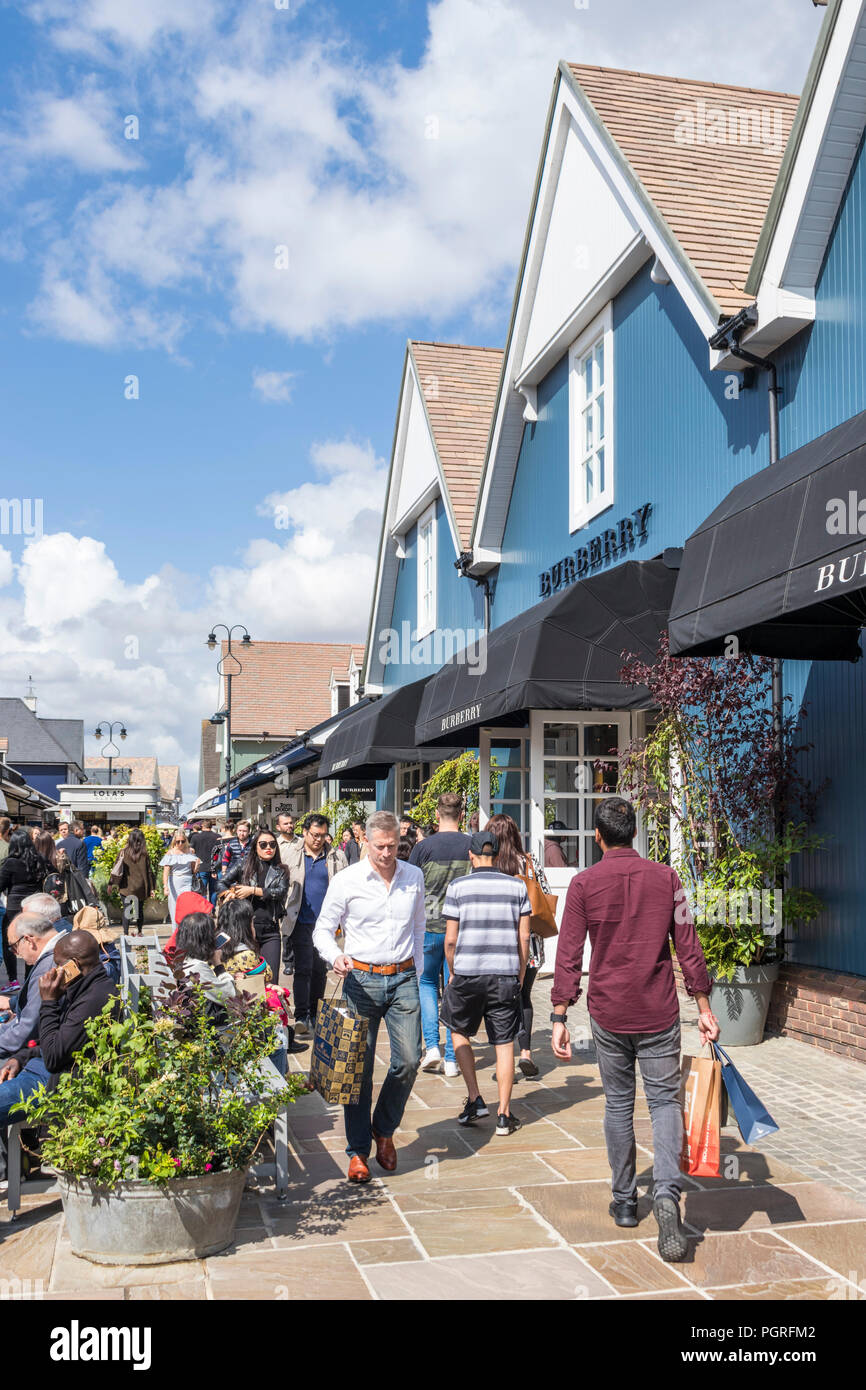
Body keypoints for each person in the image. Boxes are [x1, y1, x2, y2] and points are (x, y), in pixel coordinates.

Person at [551, 796, 720, 1263]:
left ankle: (626, 1200)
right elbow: (689, 946)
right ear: (635, 835)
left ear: (599, 837)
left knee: (619, 1104)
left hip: (609, 1012)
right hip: (659, 1010)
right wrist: (703, 1005)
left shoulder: (584, 884)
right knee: (665, 1103)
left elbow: (569, 952)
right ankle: (667, 1194)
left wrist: (560, 1014)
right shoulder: (667, 879)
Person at [314, 811, 424, 1184]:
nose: (387, 853)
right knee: (357, 1071)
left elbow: (420, 926)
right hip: (361, 978)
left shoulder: (414, 876)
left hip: (404, 976)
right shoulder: (347, 880)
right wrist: (336, 956)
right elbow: (323, 931)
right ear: (366, 842)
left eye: (392, 846)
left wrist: (420, 972)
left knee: (409, 1059)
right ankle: (358, 1150)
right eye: (380, 847)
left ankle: (384, 1128)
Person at [440, 829, 531, 1136]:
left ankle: (476, 1097)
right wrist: (518, 972)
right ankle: (504, 1115)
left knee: (458, 1030)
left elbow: (450, 940)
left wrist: (453, 971)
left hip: (467, 973)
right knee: (504, 1044)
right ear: (497, 855)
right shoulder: (516, 887)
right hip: (504, 974)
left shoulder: (458, 887)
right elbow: (524, 937)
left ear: (472, 856)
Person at [408, 791, 471, 1078]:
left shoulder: (423, 848)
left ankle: (432, 1047)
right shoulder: (472, 845)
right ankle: (453, 1057)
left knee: (427, 985)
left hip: (428, 928)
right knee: (455, 990)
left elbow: (409, 888)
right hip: (461, 930)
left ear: (436, 815)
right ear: (461, 815)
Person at [485, 812, 550, 1079]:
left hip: (498, 943)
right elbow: (543, 895)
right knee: (524, 996)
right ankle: (525, 1053)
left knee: (498, 1002)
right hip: (530, 944)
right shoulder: (530, 863)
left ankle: (505, 1059)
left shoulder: (488, 865)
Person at [282, 814, 347, 1036]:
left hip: (327, 925)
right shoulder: (292, 854)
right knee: (302, 969)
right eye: (314, 835)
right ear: (305, 832)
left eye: (322, 835)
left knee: (320, 971)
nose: (318, 839)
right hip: (301, 920)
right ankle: (301, 1016)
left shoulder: (336, 857)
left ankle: (316, 1013)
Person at [220, 828, 289, 981]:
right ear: (255, 847)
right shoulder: (244, 865)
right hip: (245, 929)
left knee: (270, 979)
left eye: (272, 844)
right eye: (263, 844)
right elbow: (222, 882)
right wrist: (229, 893)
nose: (268, 848)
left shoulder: (281, 870)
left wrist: (252, 890)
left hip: (270, 929)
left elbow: (280, 892)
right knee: (246, 980)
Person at [0, 911, 66, 1058]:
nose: (16, 954)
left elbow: (28, 1028)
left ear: (29, 940)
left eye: (14, 947)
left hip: (49, 1057)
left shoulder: (48, 966)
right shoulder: (59, 950)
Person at [0, 830, 54, 982]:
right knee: (34, 941)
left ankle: (13, 980)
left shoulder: (11, 862)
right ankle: (30, 978)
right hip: (35, 907)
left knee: (9, 942)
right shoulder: (40, 859)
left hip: (14, 908)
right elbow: (53, 876)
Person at [174, 912, 237, 1008]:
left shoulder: (184, 961)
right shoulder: (197, 968)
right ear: (206, 938)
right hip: (213, 1022)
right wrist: (218, 965)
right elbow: (230, 995)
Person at [111, 827, 157, 935]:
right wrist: (152, 888)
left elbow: (115, 869)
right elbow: (149, 872)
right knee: (139, 910)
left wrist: (111, 884)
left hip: (125, 887)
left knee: (127, 910)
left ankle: (126, 933)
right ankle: (139, 931)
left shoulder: (123, 852)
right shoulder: (144, 854)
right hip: (140, 887)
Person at [160, 831, 201, 926]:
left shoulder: (191, 851)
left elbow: (193, 871)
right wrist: (165, 886)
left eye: (182, 841)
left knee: (187, 908)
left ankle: (185, 930)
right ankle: (176, 932)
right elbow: (166, 871)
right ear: (174, 841)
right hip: (174, 881)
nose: (180, 844)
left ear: (186, 840)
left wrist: (197, 866)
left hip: (187, 882)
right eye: (178, 841)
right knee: (174, 908)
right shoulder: (170, 853)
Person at [189, 819, 221, 903]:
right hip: (215, 868)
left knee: (202, 891)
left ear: (202, 826)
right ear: (211, 826)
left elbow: (191, 851)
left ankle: (203, 911)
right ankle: (212, 910)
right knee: (213, 891)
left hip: (201, 867)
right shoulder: (218, 836)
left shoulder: (195, 837)